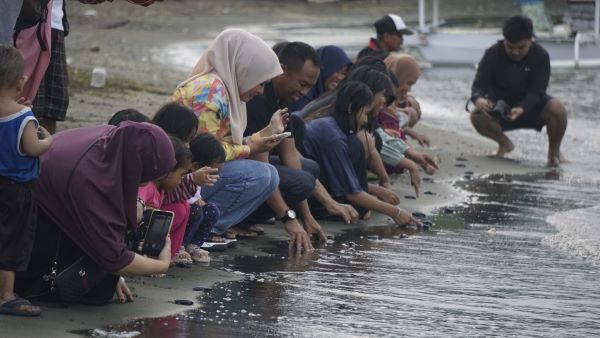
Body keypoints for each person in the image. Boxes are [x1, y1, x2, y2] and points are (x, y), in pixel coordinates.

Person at [172, 29, 315, 252]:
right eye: (260, 83)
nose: (260, 91)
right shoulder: (209, 92)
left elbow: (221, 143)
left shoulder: (225, 90)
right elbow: (203, 152)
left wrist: (264, 135)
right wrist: (251, 146)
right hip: (182, 179)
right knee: (262, 173)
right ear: (243, 70)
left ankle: (209, 224)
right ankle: (202, 229)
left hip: (195, 176)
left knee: (272, 173)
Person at [15, 122, 175, 306]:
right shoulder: (90, 181)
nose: (147, 184)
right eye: (149, 176)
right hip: (25, 228)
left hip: (31, 206)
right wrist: (161, 264)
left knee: (106, 276)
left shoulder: (109, 139)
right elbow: (116, 260)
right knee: (99, 289)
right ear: (137, 168)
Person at [241, 41, 327, 243]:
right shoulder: (259, 97)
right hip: (238, 166)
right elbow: (261, 166)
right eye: (302, 84)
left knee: (309, 169)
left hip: (255, 166)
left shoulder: (284, 97)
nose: (304, 93)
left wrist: (307, 218)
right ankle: (239, 220)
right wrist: (288, 219)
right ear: (282, 70)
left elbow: (290, 156)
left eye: (309, 87)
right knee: (301, 181)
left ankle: (248, 217)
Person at [299, 81, 419, 226]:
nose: (365, 120)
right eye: (365, 113)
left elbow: (342, 179)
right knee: (356, 211)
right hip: (304, 195)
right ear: (351, 108)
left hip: (313, 182)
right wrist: (396, 212)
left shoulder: (332, 125)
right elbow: (352, 193)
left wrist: (378, 190)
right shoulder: (333, 137)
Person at [469, 15, 568, 166]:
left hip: (532, 108)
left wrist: (522, 108)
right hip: (499, 109)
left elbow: (538, 91)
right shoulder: (492, 54)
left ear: (530, 40)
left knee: (558, 109)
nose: (515, 52)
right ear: (504, 40)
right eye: (510, 47)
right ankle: (504, 144)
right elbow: (478, 86)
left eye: (521, 47)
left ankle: (554, 152)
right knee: (476, 114)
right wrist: (478, 99)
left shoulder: (541, 56)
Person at [0, 44, 52, 317]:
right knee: (11, 241)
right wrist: (49, 140)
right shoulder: (24, 116)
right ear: (20, 81)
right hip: (17, 189)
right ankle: (6, 295)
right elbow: (33, 149)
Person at [138, 137, 194, 266]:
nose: (181, 181)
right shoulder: (148, 186)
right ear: (167, 171)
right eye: (181, 175)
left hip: (146, 236)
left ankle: (167, 254)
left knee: (184, 205)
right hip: (136, 237)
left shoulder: (161, 189)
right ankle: (150, 258)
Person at [292, 45, 352, 111]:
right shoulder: (300, 97)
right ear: (323, 69)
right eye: (336, 71)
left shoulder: (340, 98)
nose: (339, 77)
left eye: (343, 73)